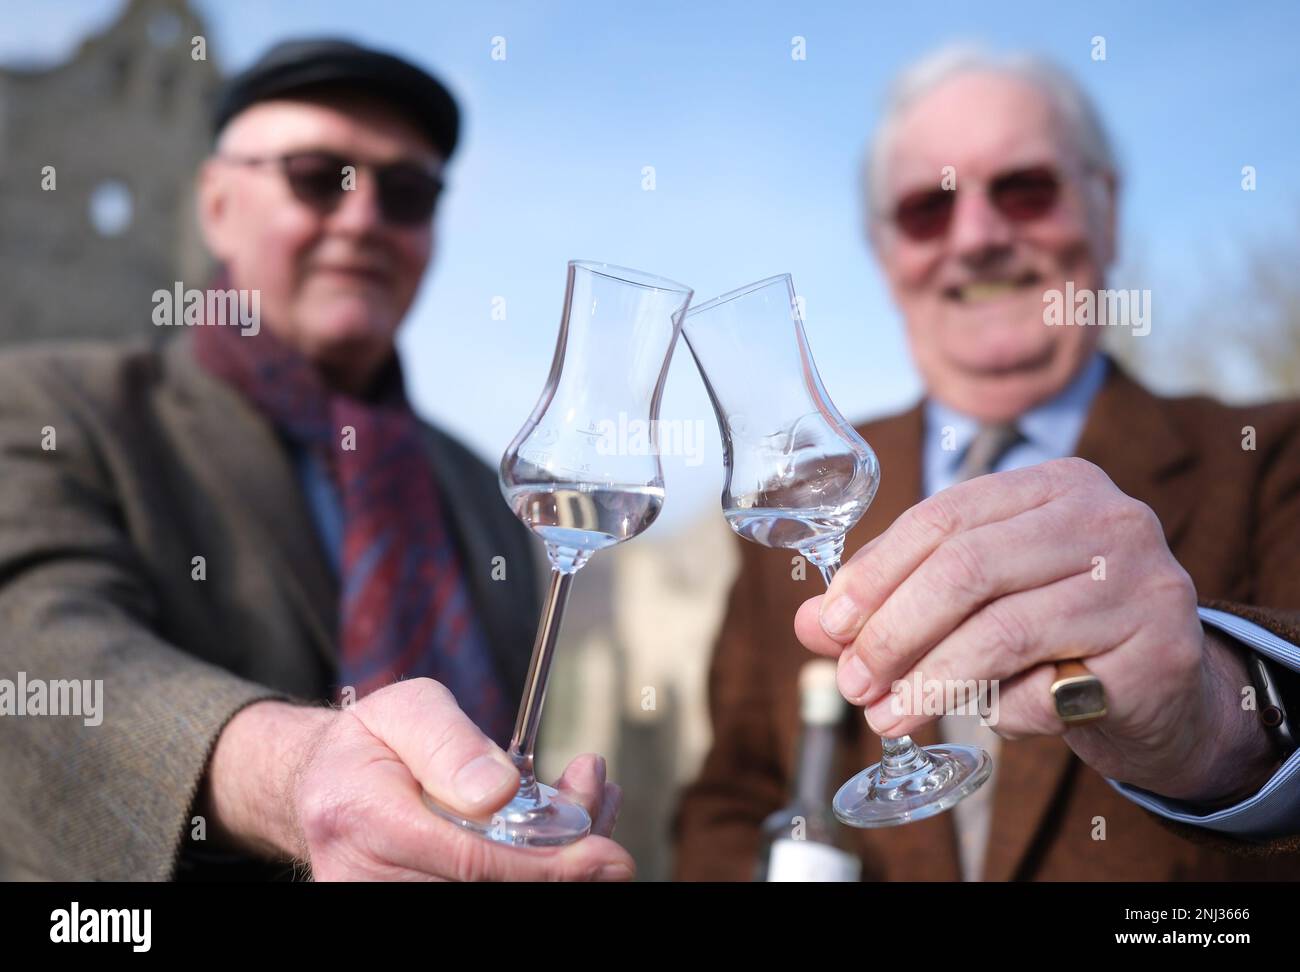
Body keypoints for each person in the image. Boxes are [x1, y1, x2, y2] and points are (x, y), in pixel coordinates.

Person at [0, 38, 631, 882]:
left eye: (406, 194)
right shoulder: (57, 408)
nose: (363, 218)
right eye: (316, 176)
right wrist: (296, 775)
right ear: (217, 205)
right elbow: (38, 651)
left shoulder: (485, 492)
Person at [673, 45, 1300, 881]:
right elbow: (729, 800)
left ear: (1105, 211)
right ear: (888, 255)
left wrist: (1214, 718)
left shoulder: (1270, 458)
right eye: (928, 208)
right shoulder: (798, 495)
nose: (976, 238)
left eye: (1024, 189)